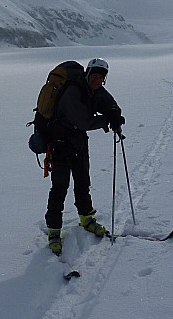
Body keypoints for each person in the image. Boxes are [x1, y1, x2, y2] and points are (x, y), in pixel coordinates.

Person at [45, 58, 125, 255]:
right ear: (87, 74)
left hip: (78, 143)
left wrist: (114, 112)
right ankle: (54, 231)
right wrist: (106, 120)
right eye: (95, 75)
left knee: (83, 183)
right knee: (60, 188)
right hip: (60, 144)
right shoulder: (73, 91)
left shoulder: (93, 89)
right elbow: (84, 121)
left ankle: (87, 219)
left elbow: (106, 101)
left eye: (101, 77)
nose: (98, 80)